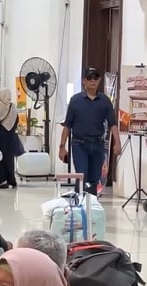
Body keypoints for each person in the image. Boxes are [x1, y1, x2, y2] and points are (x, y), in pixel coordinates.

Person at [59, 67, 121, 196]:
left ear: (99, 81)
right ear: (84, 81)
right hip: (79, 144)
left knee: (94, 178)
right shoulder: (75, 101)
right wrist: (62, 146)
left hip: (97, 144)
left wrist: (117, 142)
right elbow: (67, 125)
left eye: (95, 78)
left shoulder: (105, 101)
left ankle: (91, 205)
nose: (92, 81)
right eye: (89, 78)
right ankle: (79, 204)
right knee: (82, 175)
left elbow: (112, 124)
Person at [0, 89, 24, 189]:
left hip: (0, 137)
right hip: (10, 136)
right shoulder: (13, 107)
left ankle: (1, 181)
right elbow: (16, 121)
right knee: (9, 159)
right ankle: (11, 180)